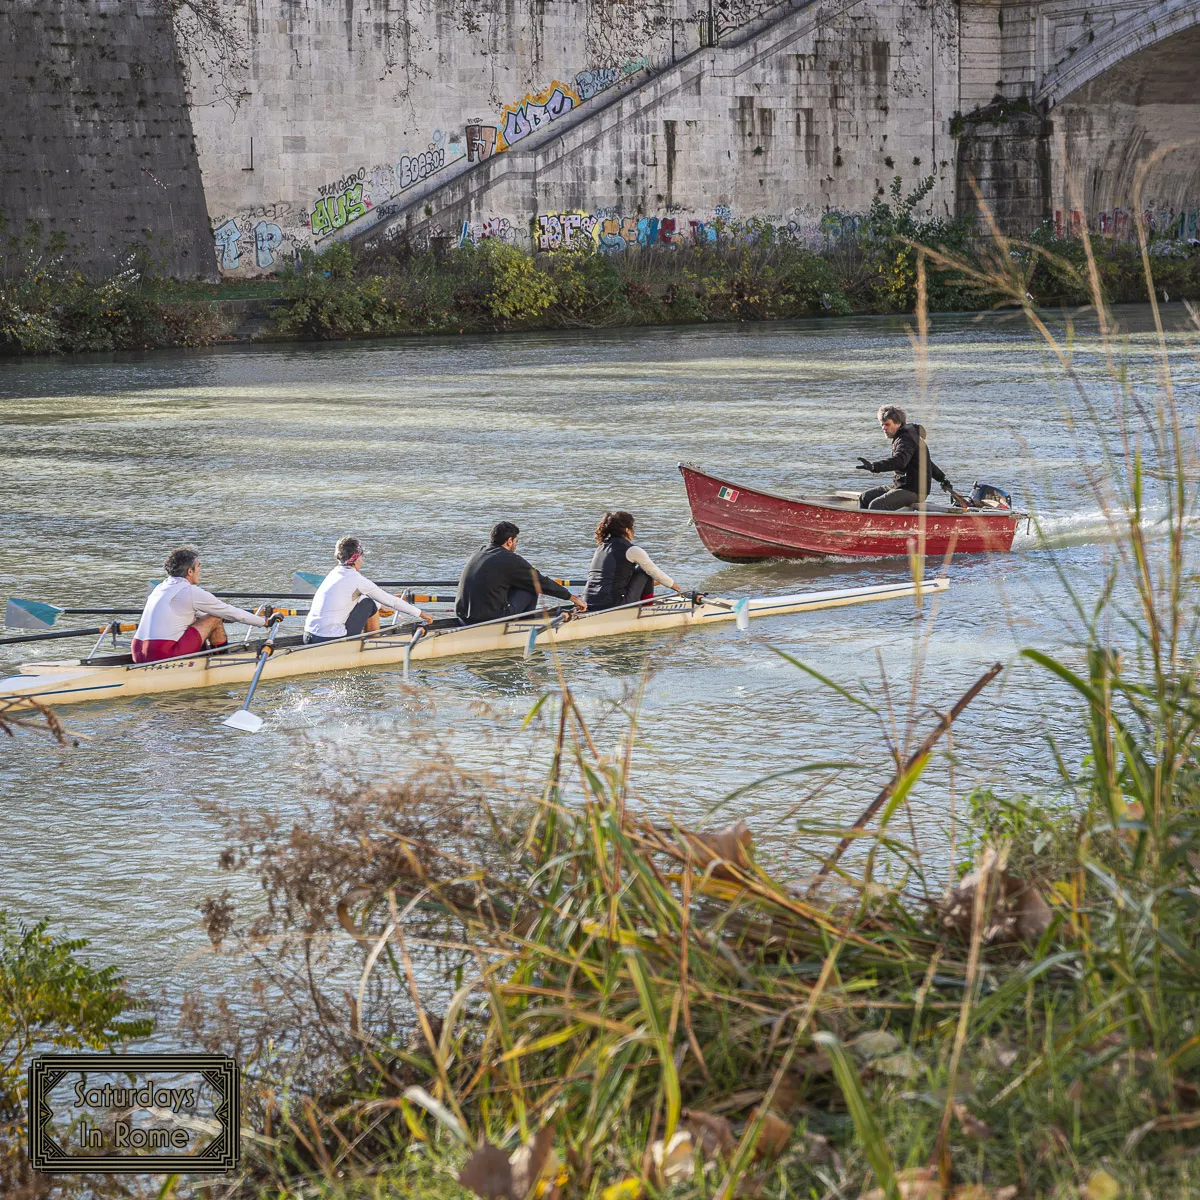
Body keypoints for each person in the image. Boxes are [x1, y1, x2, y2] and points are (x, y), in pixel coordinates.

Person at [132, 546, 277, 664]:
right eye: (198, 566)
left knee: (198, 618)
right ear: (190, 571)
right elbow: (229, 612)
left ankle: (199, 659)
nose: (200, 570)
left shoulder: (160, 588)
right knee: (215, 618)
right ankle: (224, 663)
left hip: (137, 652)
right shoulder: (189, 591)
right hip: (162, 655)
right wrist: (265, 622)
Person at [303, 536, 433, 643]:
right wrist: (421, 614)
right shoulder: (358, 580)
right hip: (328, 639)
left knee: (369, 600)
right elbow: (392, 601)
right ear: (356, 558)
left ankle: (368, 636)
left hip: (308, 636)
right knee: (369, 603)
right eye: (362, 557)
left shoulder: (332, 574)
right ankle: (374, 643)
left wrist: (380, 606)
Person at [456, 521, 586, 625]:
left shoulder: (479, 552)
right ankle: (525, 627)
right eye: (516, 542)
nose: (515, 546)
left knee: (517, 583)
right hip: (488, 620)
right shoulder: (510, 559)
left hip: (463, 617)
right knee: (531, 588)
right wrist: (572, 598)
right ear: (509, 541)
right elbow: (540, 582)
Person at [855, 405, 955, 511]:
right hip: (901, 486)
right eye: (882, 425)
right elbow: (927, 462)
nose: (883, 428)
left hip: (914, 490)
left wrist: (874, 466)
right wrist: (942, 479)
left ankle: (874, 527)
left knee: (876, 505)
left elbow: (900, 461)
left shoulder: (906, 439)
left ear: (898, 423)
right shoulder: (905, 436)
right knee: (865, 498)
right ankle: (860, 525)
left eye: (887, 424)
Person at [585, 510, 684, 611]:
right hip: (614, 604)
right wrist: (679, 590)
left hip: (589, 601)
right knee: (645, 570)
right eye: (633, 527)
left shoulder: (601, 547)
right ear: (627, 530)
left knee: (643, 572)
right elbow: (655, 572)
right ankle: (647, 609)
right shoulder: (632, 550)